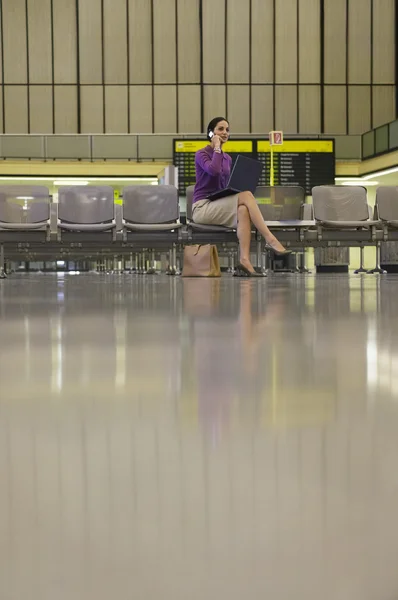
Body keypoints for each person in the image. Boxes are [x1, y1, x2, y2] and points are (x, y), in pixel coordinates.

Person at [192, 117, 290, 277]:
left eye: (227, 130)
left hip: (218, 204)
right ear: (211, 133)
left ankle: (244, 260)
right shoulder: (201, 154)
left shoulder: (228, 158)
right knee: (246, 196)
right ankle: (270, 239)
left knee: (244, 209)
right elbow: (214, 170)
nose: (225, 133)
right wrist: (216, 147)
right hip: (202, 208)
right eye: (220, 129)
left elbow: (223, 185)